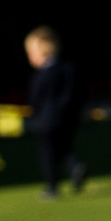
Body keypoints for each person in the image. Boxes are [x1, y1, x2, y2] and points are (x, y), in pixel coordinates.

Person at [24, 25, 85, 198]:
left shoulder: (41, 75)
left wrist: (32, 112)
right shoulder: (68, 69)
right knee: (64, 147)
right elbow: (79, 93)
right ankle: (75, 167)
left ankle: (52, 187)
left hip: (47, 121)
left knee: (48, 152)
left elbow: (35, 100)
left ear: (39, 53)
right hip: (69, 118)